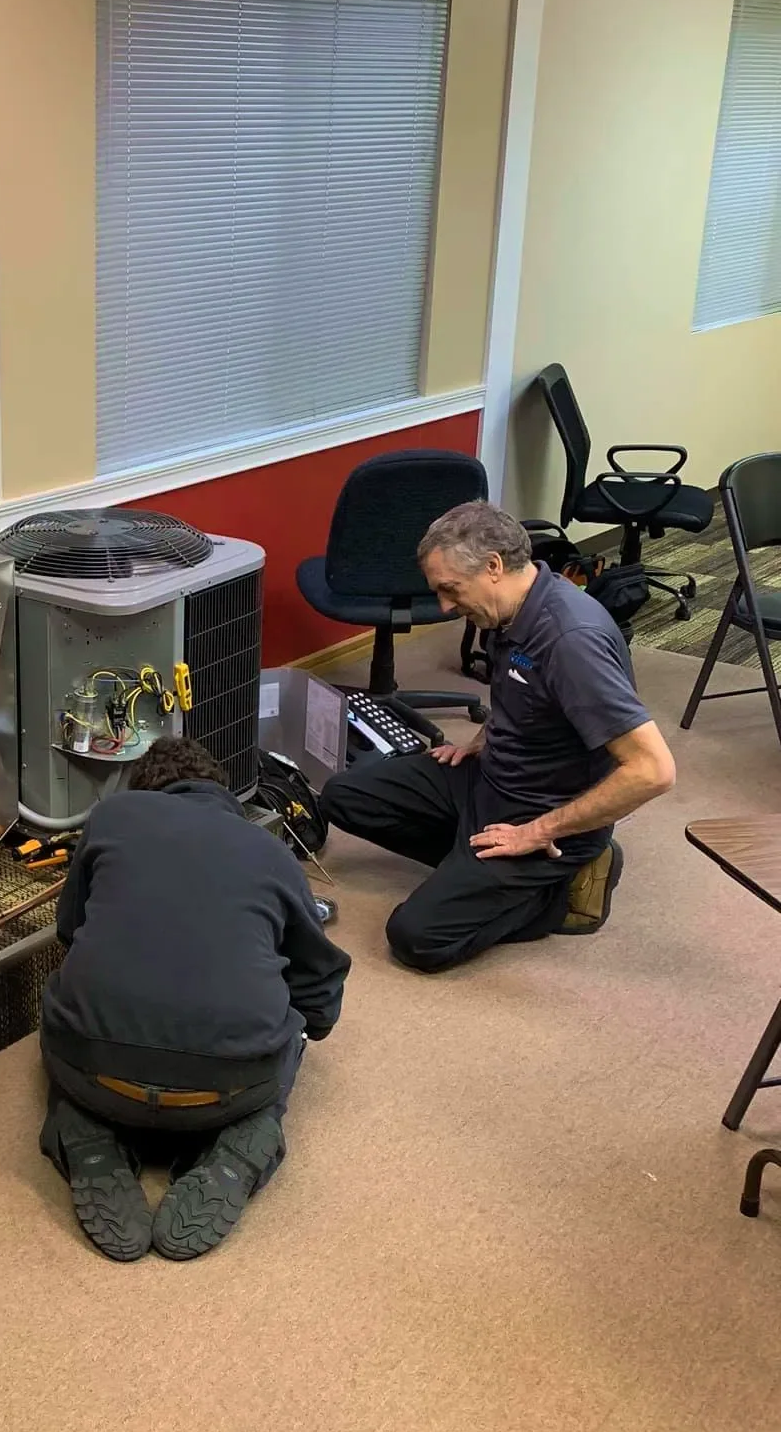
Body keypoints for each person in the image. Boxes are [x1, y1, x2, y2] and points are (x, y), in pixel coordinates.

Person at [319, 501, 676, 974]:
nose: (445, 606)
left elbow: (653, 770)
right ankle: (475, 870)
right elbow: (530, 695)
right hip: (491, 776)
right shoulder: (505, 610)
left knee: (417, 938)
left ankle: (560, 891)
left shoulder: (571, 640)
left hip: (539, 812)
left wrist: (537, 832)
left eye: (450, 589)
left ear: (493, 567)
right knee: (344, 796)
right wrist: (484, 737)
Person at [38, 736, 350, 1263]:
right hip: (228, 1088)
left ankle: (85, 1130)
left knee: (68, 1005)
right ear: (221, 791)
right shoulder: (272, 852)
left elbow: (69, 930)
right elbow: (320, 991)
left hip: (99, 1077)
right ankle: (242, 1146)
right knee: (288, 1031)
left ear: (143, 789)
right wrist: (299, 1022)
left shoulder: (111, 817)